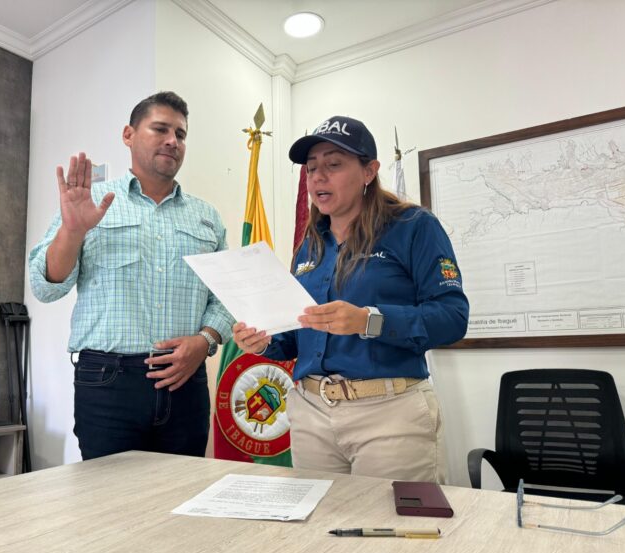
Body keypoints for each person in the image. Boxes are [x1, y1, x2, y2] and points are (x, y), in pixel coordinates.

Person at [233, 116, 469, 482]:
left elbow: (453, 317)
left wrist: (368, 321)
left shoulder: (413, 227)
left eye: (333, 164)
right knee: (321, 532)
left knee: (393, 533)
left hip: (389, 416)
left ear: (369, 171)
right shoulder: (309, 245)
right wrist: (264, 342)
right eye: (311, 168)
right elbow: (298, 336)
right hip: (311, 413)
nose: (318, 177)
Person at [29, 91, 233, 460]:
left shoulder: (208, 217)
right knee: (108, 504)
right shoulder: (91, 201)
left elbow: (224, 296)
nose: (173, 141)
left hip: (185, 381)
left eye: (181, 134)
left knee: (181, 499)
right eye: (160, 129)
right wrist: (73, 231)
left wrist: (205, 341)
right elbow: (45, 287)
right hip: (108, 383)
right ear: (129, 134)